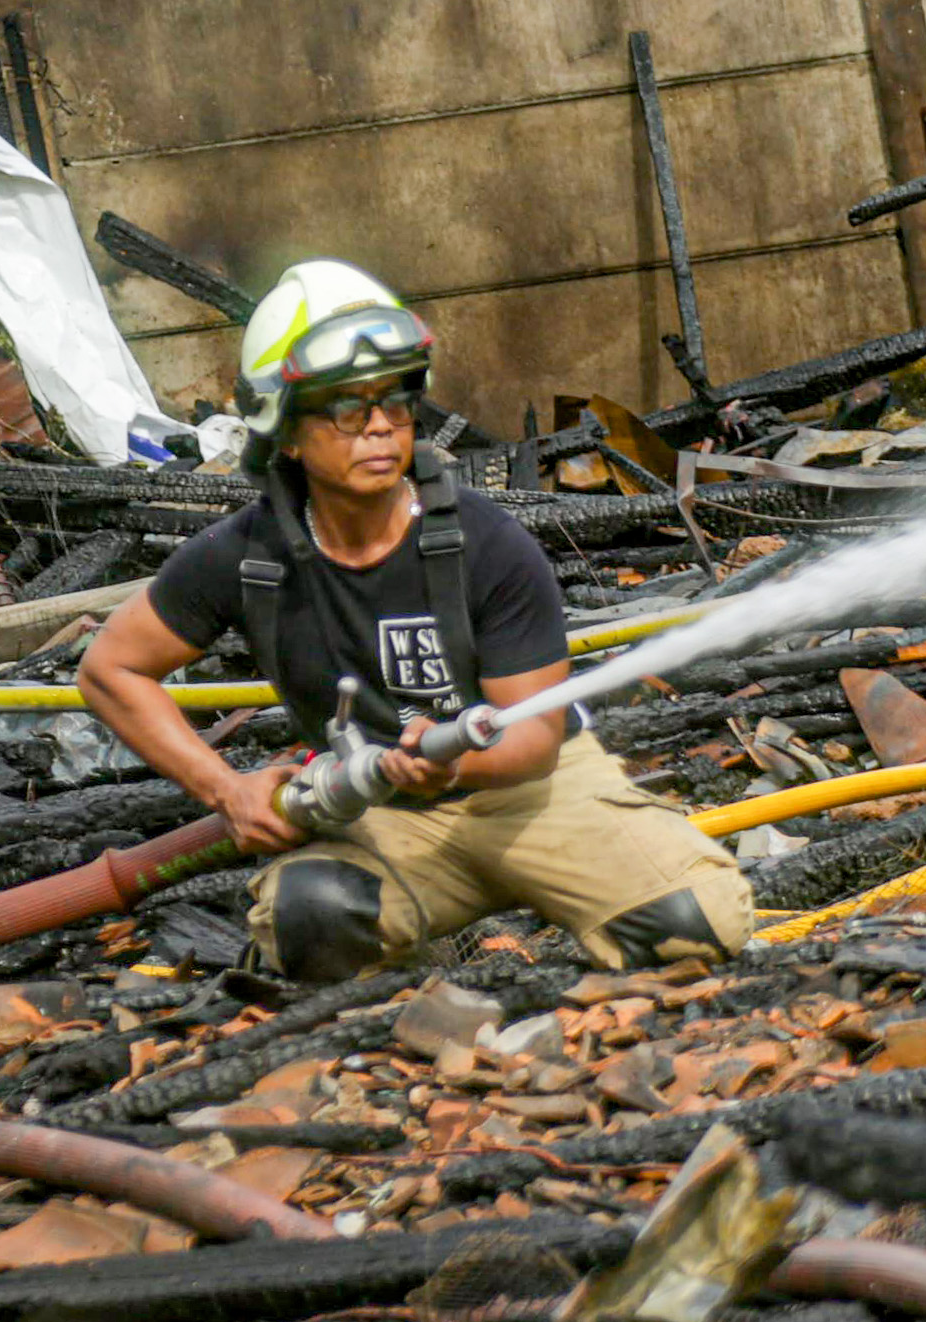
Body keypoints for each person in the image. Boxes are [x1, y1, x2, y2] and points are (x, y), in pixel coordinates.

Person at [76, 260, 751, 983]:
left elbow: (532, 740)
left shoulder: (488, 544)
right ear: (286, 431)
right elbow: (111, 669)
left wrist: (451, 761)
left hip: (529, 795)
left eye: (394, 403)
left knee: (694, 925)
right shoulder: (246, 557)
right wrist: (225, 788)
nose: (378, 427)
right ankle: (412, 962)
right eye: (345, 407)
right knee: (313, 925)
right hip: (379, 813)